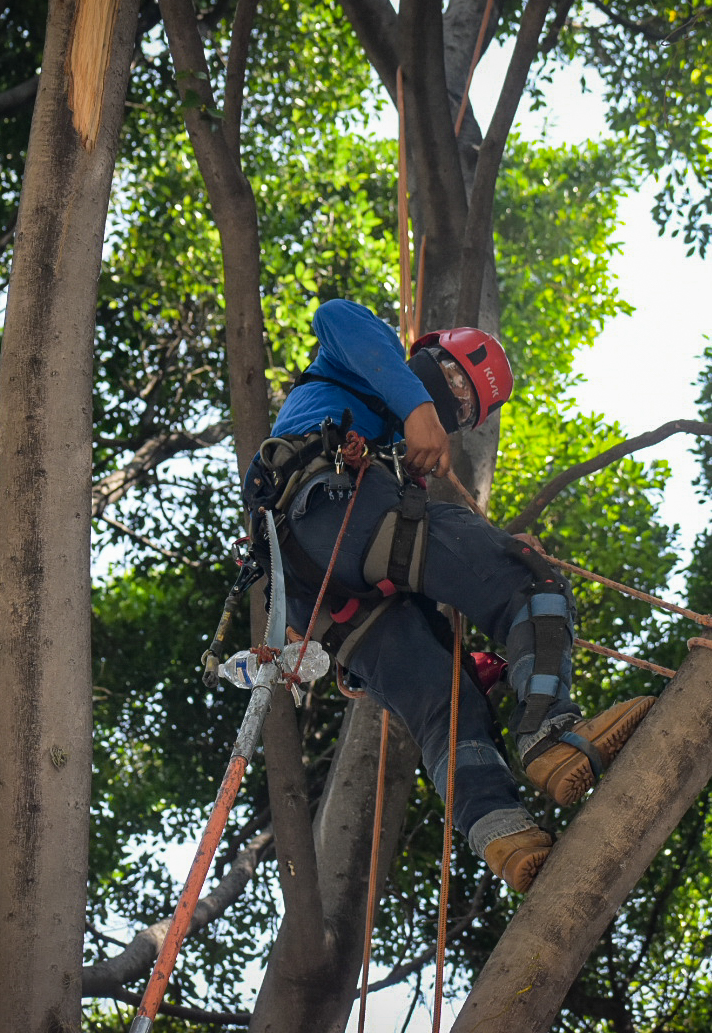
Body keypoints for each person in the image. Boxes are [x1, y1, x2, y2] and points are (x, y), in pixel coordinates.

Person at [244, 298, 655, 892]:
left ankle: (501, 832)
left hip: (327, 598)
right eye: (458, 380)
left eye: (467, 407)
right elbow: (336, 315)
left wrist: (458, 647)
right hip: (331, 512)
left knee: (448, 696)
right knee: (527, 577)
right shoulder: (349, 361)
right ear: (423, 354)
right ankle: (549, 731)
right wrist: (417, 408)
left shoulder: (392, 460)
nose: (456, 402)